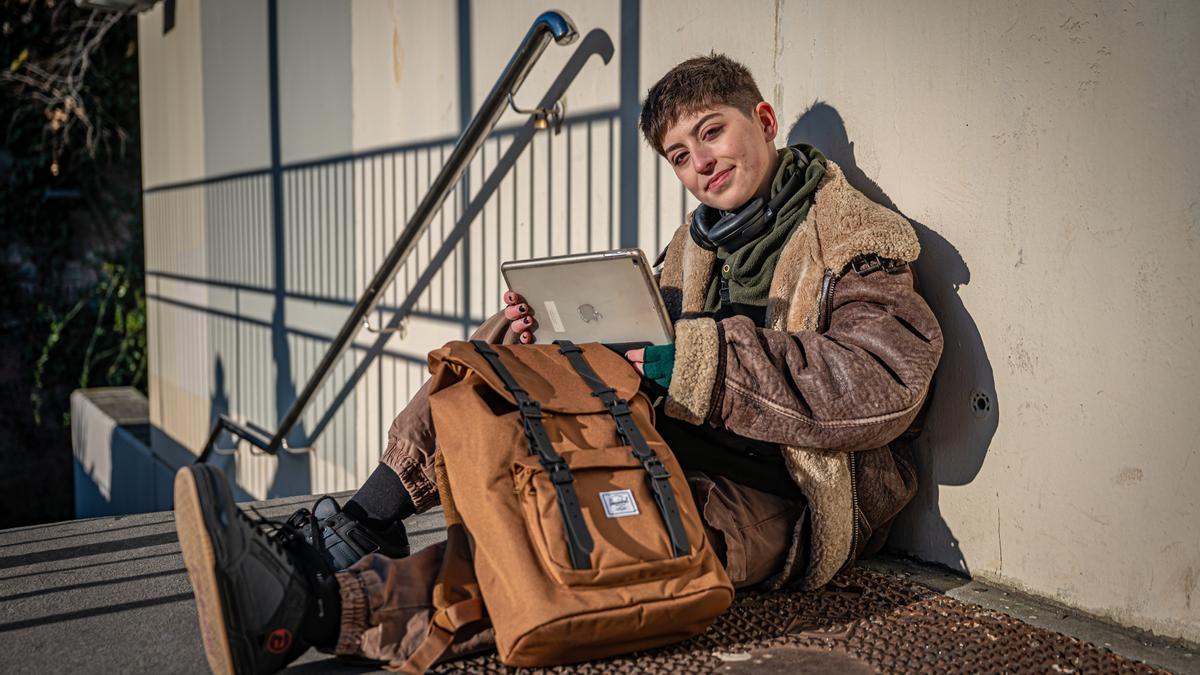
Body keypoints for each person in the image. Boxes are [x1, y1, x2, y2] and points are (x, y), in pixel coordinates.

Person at [174, 53, 943, 674]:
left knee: (556, 552)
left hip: (787, 490)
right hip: (669, 445)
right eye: (680, 154)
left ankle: (304, 609)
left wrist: (688, 361)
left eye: (713, 132)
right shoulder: (692, 247)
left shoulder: (855, 236)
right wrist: (532, 347)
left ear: (763, 121)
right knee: (494, 368)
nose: (702, 162)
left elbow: (881, 383)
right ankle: (358, 525)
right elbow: (650, 357)